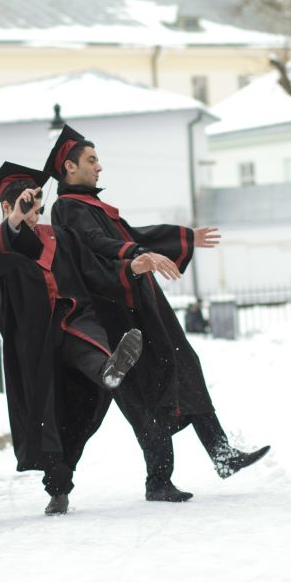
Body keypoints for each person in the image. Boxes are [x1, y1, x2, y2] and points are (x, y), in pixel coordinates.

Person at [47, 125, 270, 502]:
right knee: (145, 391)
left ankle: (222, 454)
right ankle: (158, 480)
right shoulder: (69, 208)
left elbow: (132, 233)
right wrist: (133, 255)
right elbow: (98, 245)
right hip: (117, 313)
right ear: (69, 167)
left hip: (142, 305)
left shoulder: (91, 205)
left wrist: (183, 237)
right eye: (91, 160)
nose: (99, 167)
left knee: (184, 365)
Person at [0, 162, 147, 514]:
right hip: (33, 343)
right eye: (27, 206)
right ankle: (58, 486)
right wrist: (14, 222)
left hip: (73, 321)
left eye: (38, 205)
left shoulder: (60, 237)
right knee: (48, 419)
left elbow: (96, 272)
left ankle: (109, 369)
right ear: (7, 208)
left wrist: (130, 267)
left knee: (91, 359)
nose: (35, 212)